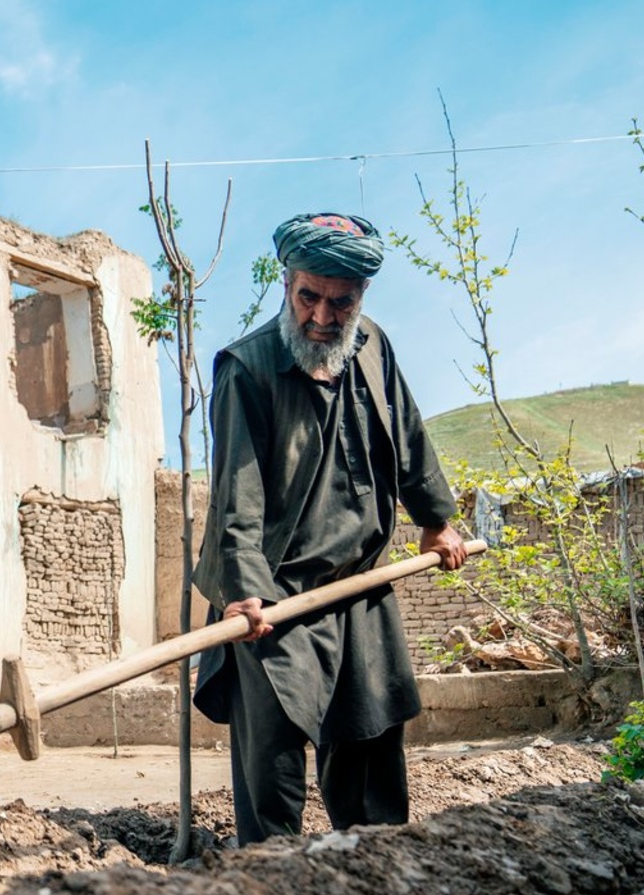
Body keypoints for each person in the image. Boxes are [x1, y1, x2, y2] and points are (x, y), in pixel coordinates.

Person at [192, 212, 469, 844]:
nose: (323, 316)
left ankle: (376, 871)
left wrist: (436, 520)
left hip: (361, 588)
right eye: (309, 297)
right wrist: (244, 588)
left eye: (340, 303)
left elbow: (409, 434)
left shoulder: (371, 346)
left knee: (371, 757)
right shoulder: (248, 368)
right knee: (274, 769)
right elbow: (236, 493)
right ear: (287, 284)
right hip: (276, 598)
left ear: (361, 298)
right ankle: (270, 879)